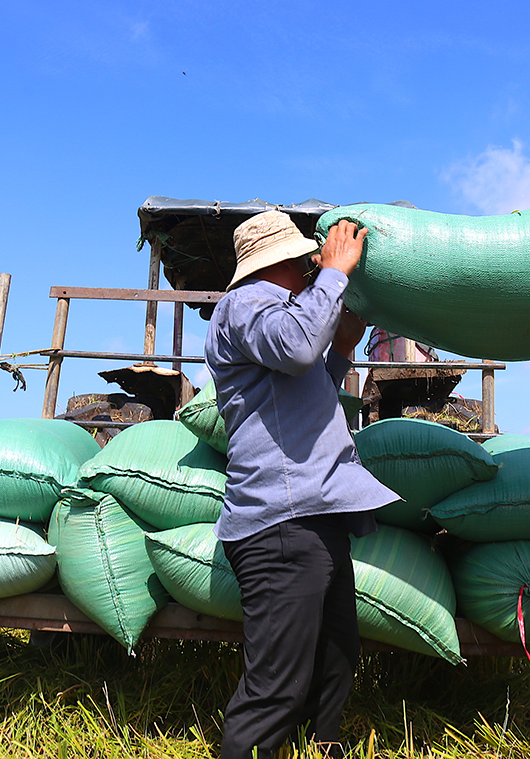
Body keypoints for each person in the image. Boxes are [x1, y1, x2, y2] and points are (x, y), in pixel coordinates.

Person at [205, 210, 398, 759]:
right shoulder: (242, 306)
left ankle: (325, 745)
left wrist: (338, 349)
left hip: (315, 518)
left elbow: (308, 391)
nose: (314, 264)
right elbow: (294, 351)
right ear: (281, 261)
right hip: (280, 524)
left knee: (337, 655)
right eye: (307, 259)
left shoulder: (280, 313)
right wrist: (337, 274)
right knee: (275, 687)